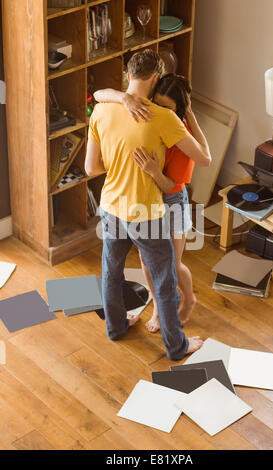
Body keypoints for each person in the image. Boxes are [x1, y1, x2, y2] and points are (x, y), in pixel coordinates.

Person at [85, 49, 211, 361]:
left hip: (111, 205)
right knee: (164, 280)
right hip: (145, 212)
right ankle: (176, 346)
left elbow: (90, 169)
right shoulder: (164, 118)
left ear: (128, 75)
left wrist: (118, 162)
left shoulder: (101, 110)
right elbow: (202, 159)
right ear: (156, 78)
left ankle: (115, 327)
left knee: (111, 271)